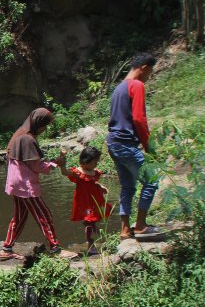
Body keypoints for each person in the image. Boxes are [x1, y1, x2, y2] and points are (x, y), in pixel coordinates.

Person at [0, 108, 78, 260]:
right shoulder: (27, 139)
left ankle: (7, 248)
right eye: (44, 125)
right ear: (38, 123)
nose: (44, 129)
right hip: (25, 185)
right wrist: (56, 162)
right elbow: (37, 167)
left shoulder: (20, 133)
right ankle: (56, 249)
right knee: (44, 214)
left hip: (15, 183)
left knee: (20, 216)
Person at [107, 52, 159, 239]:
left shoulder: (118, 88)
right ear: (144, 68)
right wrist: (149, 146)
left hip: (113, 142)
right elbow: (139, 119)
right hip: (126, 144)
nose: (148, 77)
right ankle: (141, 225)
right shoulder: (136, 85)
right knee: (152, 181)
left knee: (128, 187)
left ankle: (125, 229)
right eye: (149, 73)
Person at [58, 146, 113, 255]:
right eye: (94, 162)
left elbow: (93, 182)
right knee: (89, 221)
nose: (96, 165)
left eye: (97, 162)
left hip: (94, 200)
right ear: (85, 161)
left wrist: (100, 186)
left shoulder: (93, 172)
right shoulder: (78, 173)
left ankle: (92, 231)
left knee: (94, 219)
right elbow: (65, 172)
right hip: (85, 202)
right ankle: (91, 245)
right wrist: (62, 160)